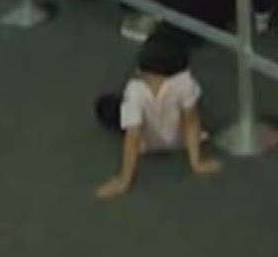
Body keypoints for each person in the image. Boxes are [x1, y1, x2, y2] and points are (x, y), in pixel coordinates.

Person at [93, 28, 219, 199]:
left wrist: (123, 179)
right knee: (187, 107)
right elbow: (191, 120)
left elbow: (133, 136)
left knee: (105, 106)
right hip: (178, 139)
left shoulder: (135, 90)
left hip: (146, 143)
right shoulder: (185, 81)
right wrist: (197, 163)